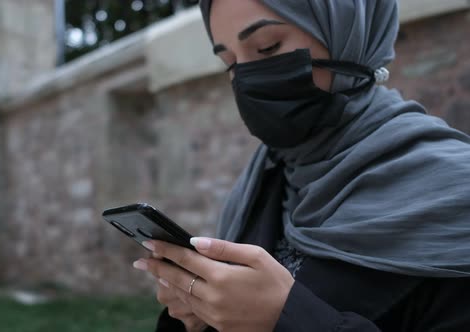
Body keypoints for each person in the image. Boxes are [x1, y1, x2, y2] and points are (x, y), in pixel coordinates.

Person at [132, 0, 470, 331]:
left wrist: (286, 318)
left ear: (346, 31)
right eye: (231, 63)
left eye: (268, 47)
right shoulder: (266, 177)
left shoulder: (455, 188)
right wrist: (199, 314)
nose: (247, 78)